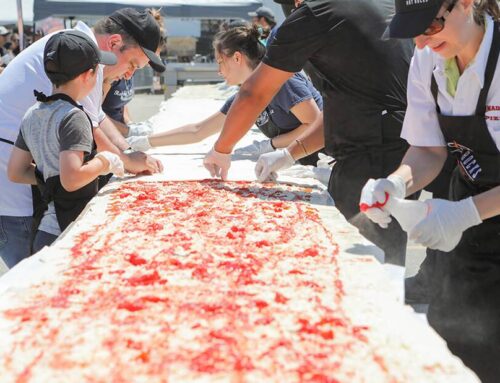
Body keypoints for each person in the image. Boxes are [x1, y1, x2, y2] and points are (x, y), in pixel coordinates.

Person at [203, 0, 415, 267]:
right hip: (402, 145)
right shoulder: (369, 5)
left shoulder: (316, 14)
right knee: (386, 252)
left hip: (372, 153)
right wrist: (290, 154)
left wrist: (222, 149)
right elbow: (346, 104)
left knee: (360, 263)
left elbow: (255, 91)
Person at [361, 0, 500, 380]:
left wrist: (467, 213)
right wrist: (397, 182)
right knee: (456, 340)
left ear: (466, 4)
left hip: (475, 210)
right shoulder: (428, 59)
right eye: (414, 30)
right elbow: (428, 147)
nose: (421, 42)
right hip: (471, 214)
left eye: (431, 25)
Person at [0, 8, 165, 269]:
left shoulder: (70, 48)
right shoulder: (84, 59)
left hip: (14, 178)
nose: (129, 75)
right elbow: (89, 124)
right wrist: (120, 160)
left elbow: (95, 114)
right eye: (132, 65)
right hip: (18, 204)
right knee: (40, 282)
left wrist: (127, 151)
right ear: (113, 44)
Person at [127, 24, 323, 168]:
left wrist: (270, 145)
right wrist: (148, 141)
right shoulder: (248, 93)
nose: (219, 71)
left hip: (324, 158)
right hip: (295, 159)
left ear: (237, 58)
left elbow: (314, 125)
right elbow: (199, 130)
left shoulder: (283, 80)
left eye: (220, 62)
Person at [8, 31, 125, 253]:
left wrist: (51, 176)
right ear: (88, 75)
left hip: (43, 229)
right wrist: (104, 161)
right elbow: (72, 179)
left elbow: (16, 172)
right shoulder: (75, 117)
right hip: (66, 231)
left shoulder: (33, 113)